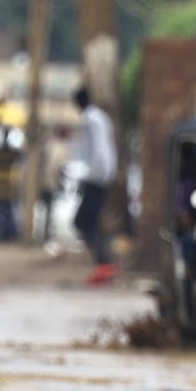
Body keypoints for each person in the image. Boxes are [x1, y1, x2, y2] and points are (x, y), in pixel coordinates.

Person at [71, 85, 117, 283]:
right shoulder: (100, 117)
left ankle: (104, 263)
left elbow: (97, 149)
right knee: (91, 221)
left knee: (82, 221)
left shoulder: (91, 119)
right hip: (101, 174)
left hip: (96, 176)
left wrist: (91, 174)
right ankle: (105, 263)